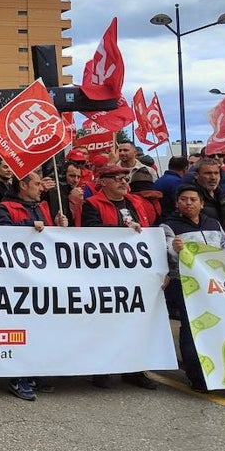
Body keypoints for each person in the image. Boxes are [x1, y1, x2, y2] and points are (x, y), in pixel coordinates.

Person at [79, 164, 157, 390]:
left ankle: (134, 368)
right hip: (103, 274)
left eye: (125, 177)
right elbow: (90, 234)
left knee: (134, 321)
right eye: (117, 178)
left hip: (133, 274)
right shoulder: (92, 205)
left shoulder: (136, 202)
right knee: (103, 323)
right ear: (102, 181)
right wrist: (122, 230)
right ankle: (100, 368)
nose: (124, 182)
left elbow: (149, 233)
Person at [162, 184, 225, 391]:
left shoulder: (213, 224)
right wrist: (174, 249)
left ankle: (222, 370)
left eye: (193, 200)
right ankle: (197, 375)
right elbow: (164, 252)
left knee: (220, 325)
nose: (188, 203)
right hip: (184, 284)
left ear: (202, 204)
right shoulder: (168, 226)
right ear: (177, 203)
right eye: (184, 199)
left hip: (213, 285)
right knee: (191, 329)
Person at [0, 169, 68, 401]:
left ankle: (35, 371)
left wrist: (59, 226)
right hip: (16, 279)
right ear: (23, 186)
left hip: (41, 277)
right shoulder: (5, 207)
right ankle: (18, 377)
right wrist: (28, 226)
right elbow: (0, 234)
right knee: (19, 329)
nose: (41, 187)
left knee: (40, 328)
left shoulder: (43, 207)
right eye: (36, 184)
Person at [187, 159, 225, 237]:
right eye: (208, 173)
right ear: (197, 175)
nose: (213, 177)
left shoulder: (221, 195)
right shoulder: (190, 198)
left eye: (216, 173)